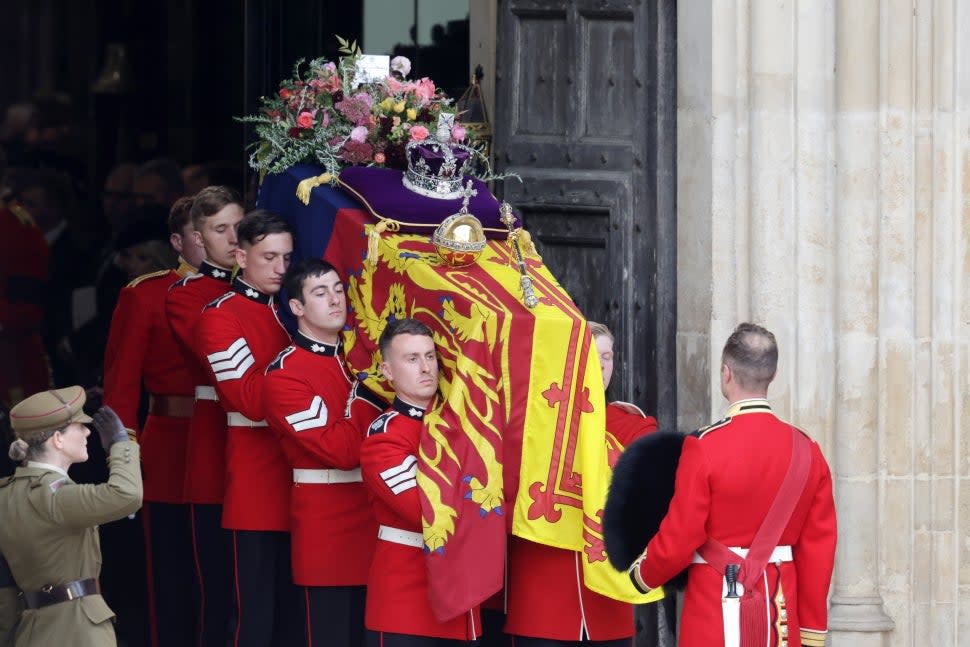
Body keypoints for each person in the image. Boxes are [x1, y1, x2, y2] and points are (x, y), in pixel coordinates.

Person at [628, 323, 837, 647]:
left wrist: (642, 575)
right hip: (779, 613)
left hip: (715, 607)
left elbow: (681, 535)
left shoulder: (704, 446)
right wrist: (811, 629)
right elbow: (818, 550)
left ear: (726, 373)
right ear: (772, 374)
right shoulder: (807, 450)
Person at [504, 321, 658, 647]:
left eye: (608, 356)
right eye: (592, 354)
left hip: (607, 601)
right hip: (544, 597)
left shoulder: (633, 426)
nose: (601, 365)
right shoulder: (531, 424)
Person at [263, 258, 385, 647]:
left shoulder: (361, 358)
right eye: (320, 293)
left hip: (377, 517)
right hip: (327, 526)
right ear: (296, 307)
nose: (335, 300)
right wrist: (368, 395)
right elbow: (342, 450)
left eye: (337, 290)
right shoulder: (285, 375)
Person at [196, 209, 303, 647]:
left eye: (287, 258)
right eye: (269, 257)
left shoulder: (286, 312)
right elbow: (248, 400)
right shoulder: (220, 315)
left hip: (296, 480)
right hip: (256, 482)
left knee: (291, 620)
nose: (281, 269)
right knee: (254, 620)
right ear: (241, 256)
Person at [101, 197, 204, 647]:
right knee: (171, 572)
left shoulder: (253, 290)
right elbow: (121, 390)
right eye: (201, 235)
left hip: (233, 444)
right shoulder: (144, 294)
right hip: (170, 445)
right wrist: (124, 458)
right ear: (179, 243)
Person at [360, 317, 482, 646]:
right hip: (408, 602)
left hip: (461, 599)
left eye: (430, 356)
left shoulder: (463, 428)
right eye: (412, 359)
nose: (426, 367)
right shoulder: (384, 436)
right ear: (387, 371)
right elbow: (425, 509)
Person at [0, 386, 142, 646]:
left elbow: (5, 588)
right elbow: (127, 494)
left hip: (31, 631)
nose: (88, 431)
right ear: (58, 439)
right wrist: (122, 445)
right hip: (79, 631)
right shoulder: (56, 496)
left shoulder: (6, 495)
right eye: (80, 426)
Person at [165, 185, 243, 647]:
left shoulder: (271, 284)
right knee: (219, 594)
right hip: (217, 449)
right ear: (199, 237)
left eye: (239, 225)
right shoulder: (187, 293)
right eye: (220, 230)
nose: (234, 238)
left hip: (271, 458)